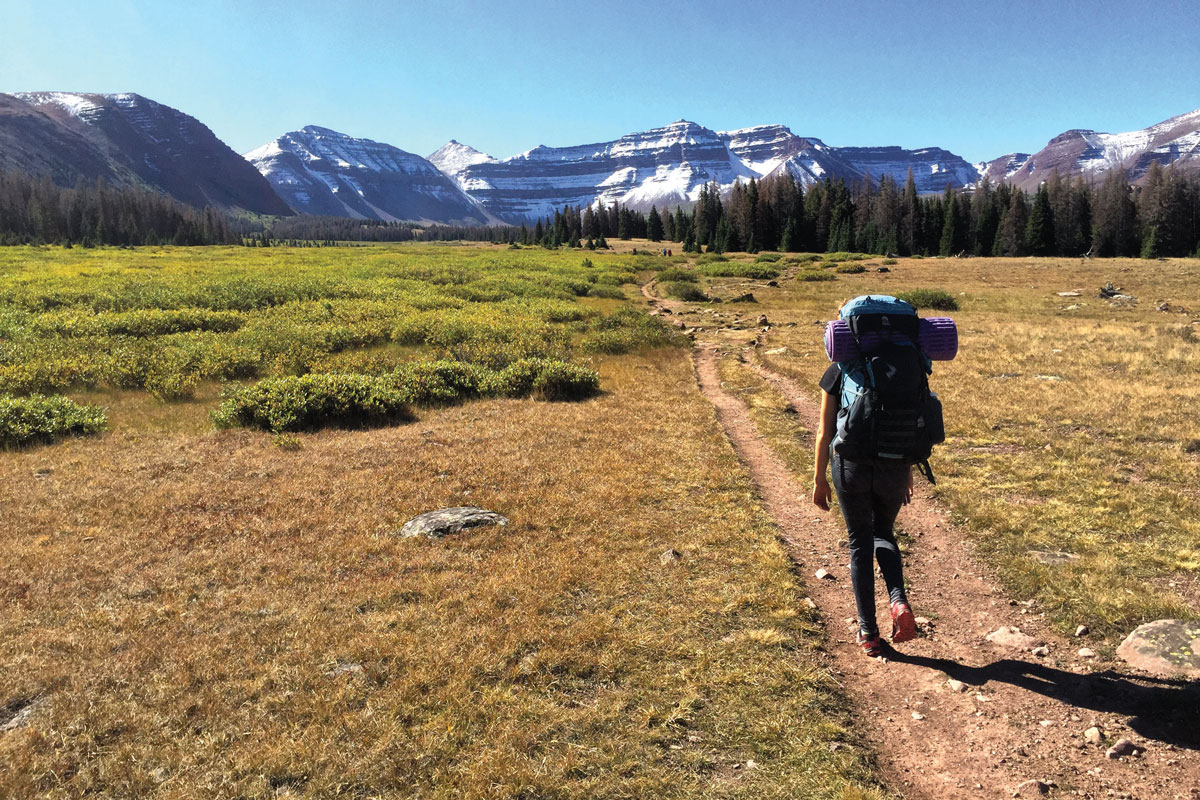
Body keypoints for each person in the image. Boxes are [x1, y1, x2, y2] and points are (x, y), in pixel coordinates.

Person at [812, 358, 918, 657]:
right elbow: (907, 422)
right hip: (894, 466)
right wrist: (907, 470)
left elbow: (825, 431)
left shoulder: (839, 370)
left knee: (860, 541)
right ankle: (898, 600)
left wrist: (820, 479)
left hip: (851, 467)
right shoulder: (903, 367)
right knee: (884, 531)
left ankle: (869, 633)